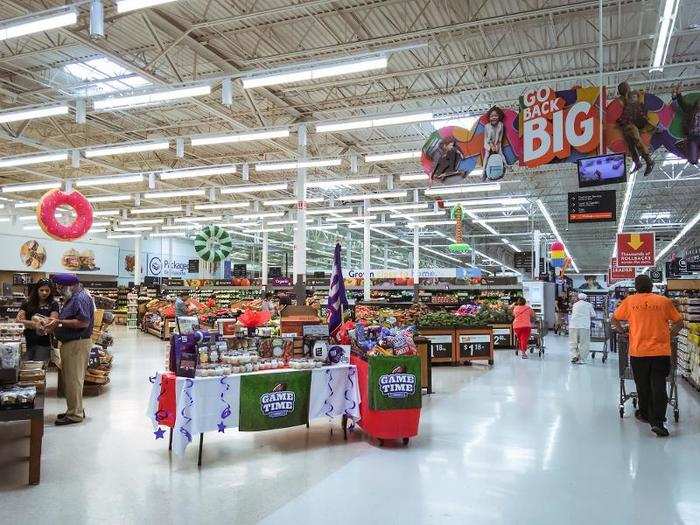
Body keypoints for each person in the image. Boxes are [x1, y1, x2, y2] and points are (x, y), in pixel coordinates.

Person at [611, 275, 683, 437]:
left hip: (638, 352)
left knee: (642, 386)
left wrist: (624, 332)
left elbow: (614, 319)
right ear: (651, 286)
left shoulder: (629, 302)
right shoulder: (663, 301)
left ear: (636, 287)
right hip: (661, 352)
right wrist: (669, 336)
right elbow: (679, 322)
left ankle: (645, 414)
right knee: (659, 386)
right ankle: (658, 421)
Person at [44, 274, 95, 426]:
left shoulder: (80, 298)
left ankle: (75, 415)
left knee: (74, 380)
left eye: (61, 287)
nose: (59, 291)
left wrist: (59, 322)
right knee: (72, 379)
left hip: (77, 344)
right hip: (71, 343)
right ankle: (75, 409)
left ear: (71, 286)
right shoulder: (73, 297)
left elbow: (83, 322)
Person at [16, 278, 60, 363]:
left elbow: (52, 322)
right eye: (42, 290)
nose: (44, 293)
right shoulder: (27, 302)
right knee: (24, 368)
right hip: (27, 342)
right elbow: (18, 321)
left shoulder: (53, 304)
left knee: (39, 370)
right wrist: (36, 324)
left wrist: (28, 323)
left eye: (47, 290)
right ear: (37, 290)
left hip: (44, 343)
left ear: (51, 291)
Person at [616, 82, 655, 176]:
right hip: (628, 125)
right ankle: (637, 163)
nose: (620, 92)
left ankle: (649, 161)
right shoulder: (626, 97)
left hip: (633, 123)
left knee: (637, 141)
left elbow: (631, 110)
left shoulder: (632, 95)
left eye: (621, 90)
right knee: (630, 145)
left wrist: (621, 119)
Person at [672, 86, 700, 165]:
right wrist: (678, 93)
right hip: (693, 137)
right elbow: (682, 103)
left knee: (693, 159)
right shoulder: (690, 109)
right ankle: (693, 155)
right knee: (693, 161)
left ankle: (694, 153)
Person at [569, 293, 596, 364]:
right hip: (584, 326)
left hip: (573, 325)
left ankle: (574, 356)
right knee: (583, 343)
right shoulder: (589, 305)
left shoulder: (575, 305)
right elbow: (593, 315)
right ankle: (582, 359)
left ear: (578, 298)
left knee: (573, 342)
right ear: (586, 298)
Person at [482, 106, 505, 179]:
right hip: (488, 143)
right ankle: (484, 172)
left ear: (499, 116)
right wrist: (492, 147)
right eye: (491, 116)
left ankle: (504, 167)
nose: (493, 117)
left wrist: (498, 145)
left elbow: (501, 136)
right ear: (489, 118)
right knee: (487, 155)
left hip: (497, 143)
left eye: (496, 116)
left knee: (501, 154)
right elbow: (488, 139)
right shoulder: (487, 126)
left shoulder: (501, 125)